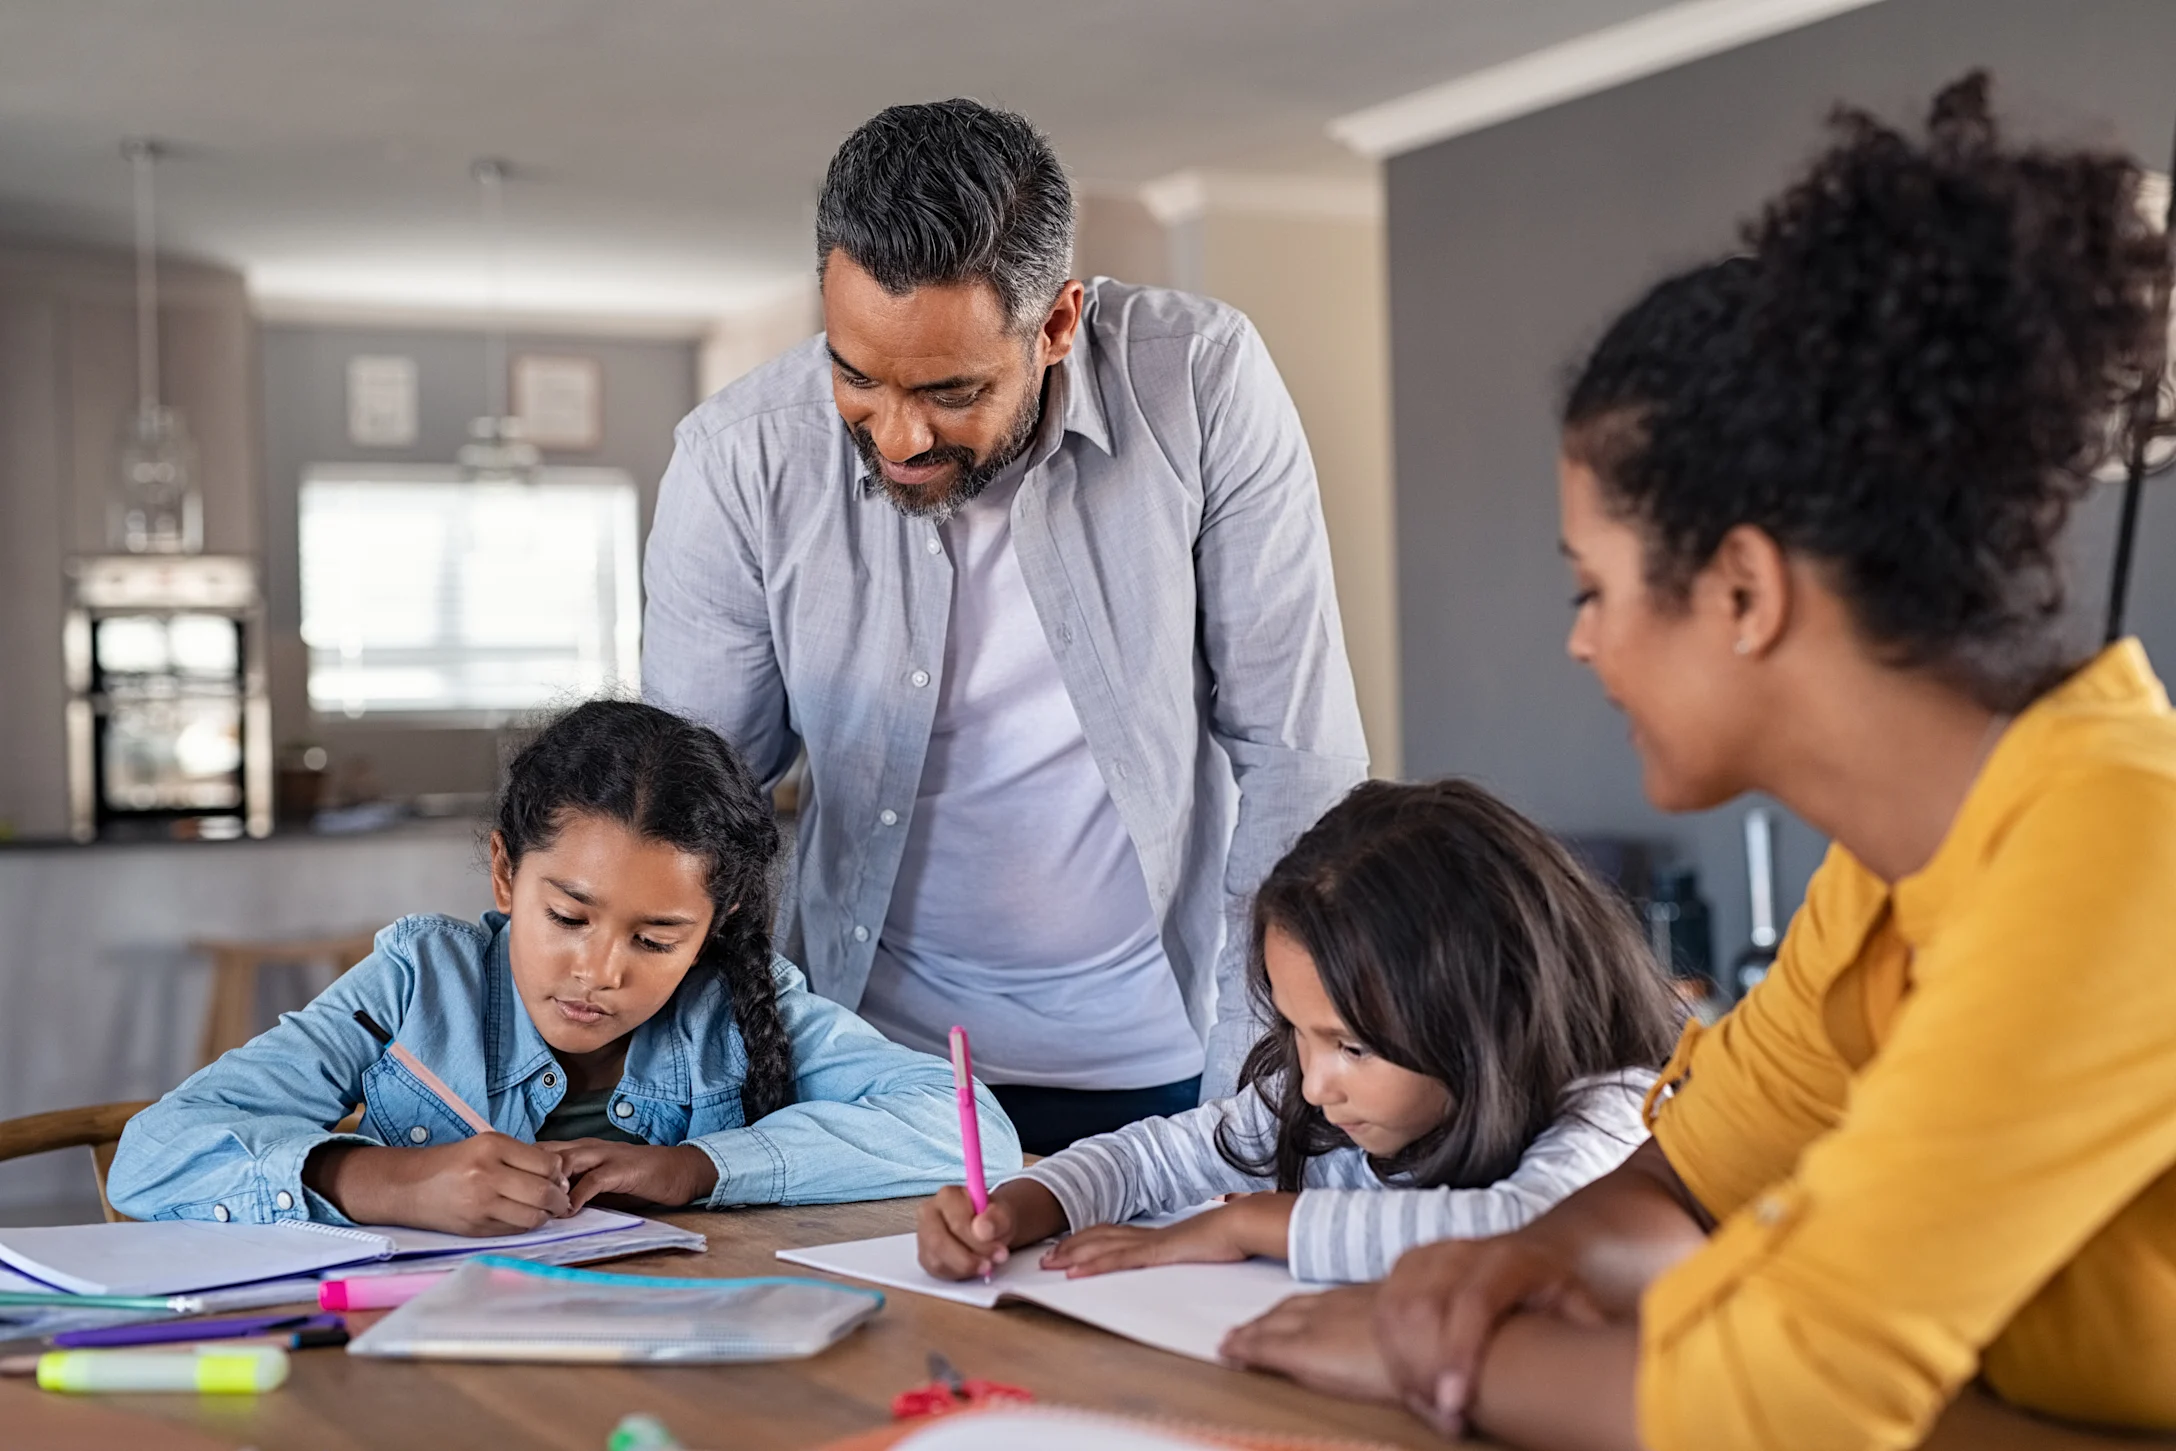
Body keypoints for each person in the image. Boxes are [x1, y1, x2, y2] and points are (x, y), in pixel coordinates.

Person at [1221, 74, 2176, 1450]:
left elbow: (1781, 1398)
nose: (1582, 644)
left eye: (1592, 589)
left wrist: (1424, 1356)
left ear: (1741, 590)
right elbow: (1693, 1176)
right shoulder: (1892, 871)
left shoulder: (2109, 843)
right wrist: (1520, 1261)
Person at [641, 99, 1369, 1153]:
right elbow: (686, 808)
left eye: (948, 390)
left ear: (1058, 324)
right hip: (871, 1067)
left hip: (1173, 1054)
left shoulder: (1201, 381)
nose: (896, 433)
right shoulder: (737, 457)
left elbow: (1299, 756)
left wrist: (1260, 1085)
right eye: (855, 374)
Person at [108, 701, 1021, 1231]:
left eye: (656, 938)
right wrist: (383, 1181)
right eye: (569, 916)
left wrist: (700, 1165)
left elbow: (969, 1128)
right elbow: (150, 1158)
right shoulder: (417, 982)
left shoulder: (744, 1005)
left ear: (716, 925)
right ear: (508, 872)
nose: (599, 969)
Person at [914, 778, 1681, 1285]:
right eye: (1296, 1030)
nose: (1313, 1084)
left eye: (1352, 1045)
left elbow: (1532, 1230)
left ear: (1493, 1012)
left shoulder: (1616, 1111)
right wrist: (1022, 1205)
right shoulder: (1318, 1098)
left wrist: (1251, 1222)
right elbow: (1152, 1156)